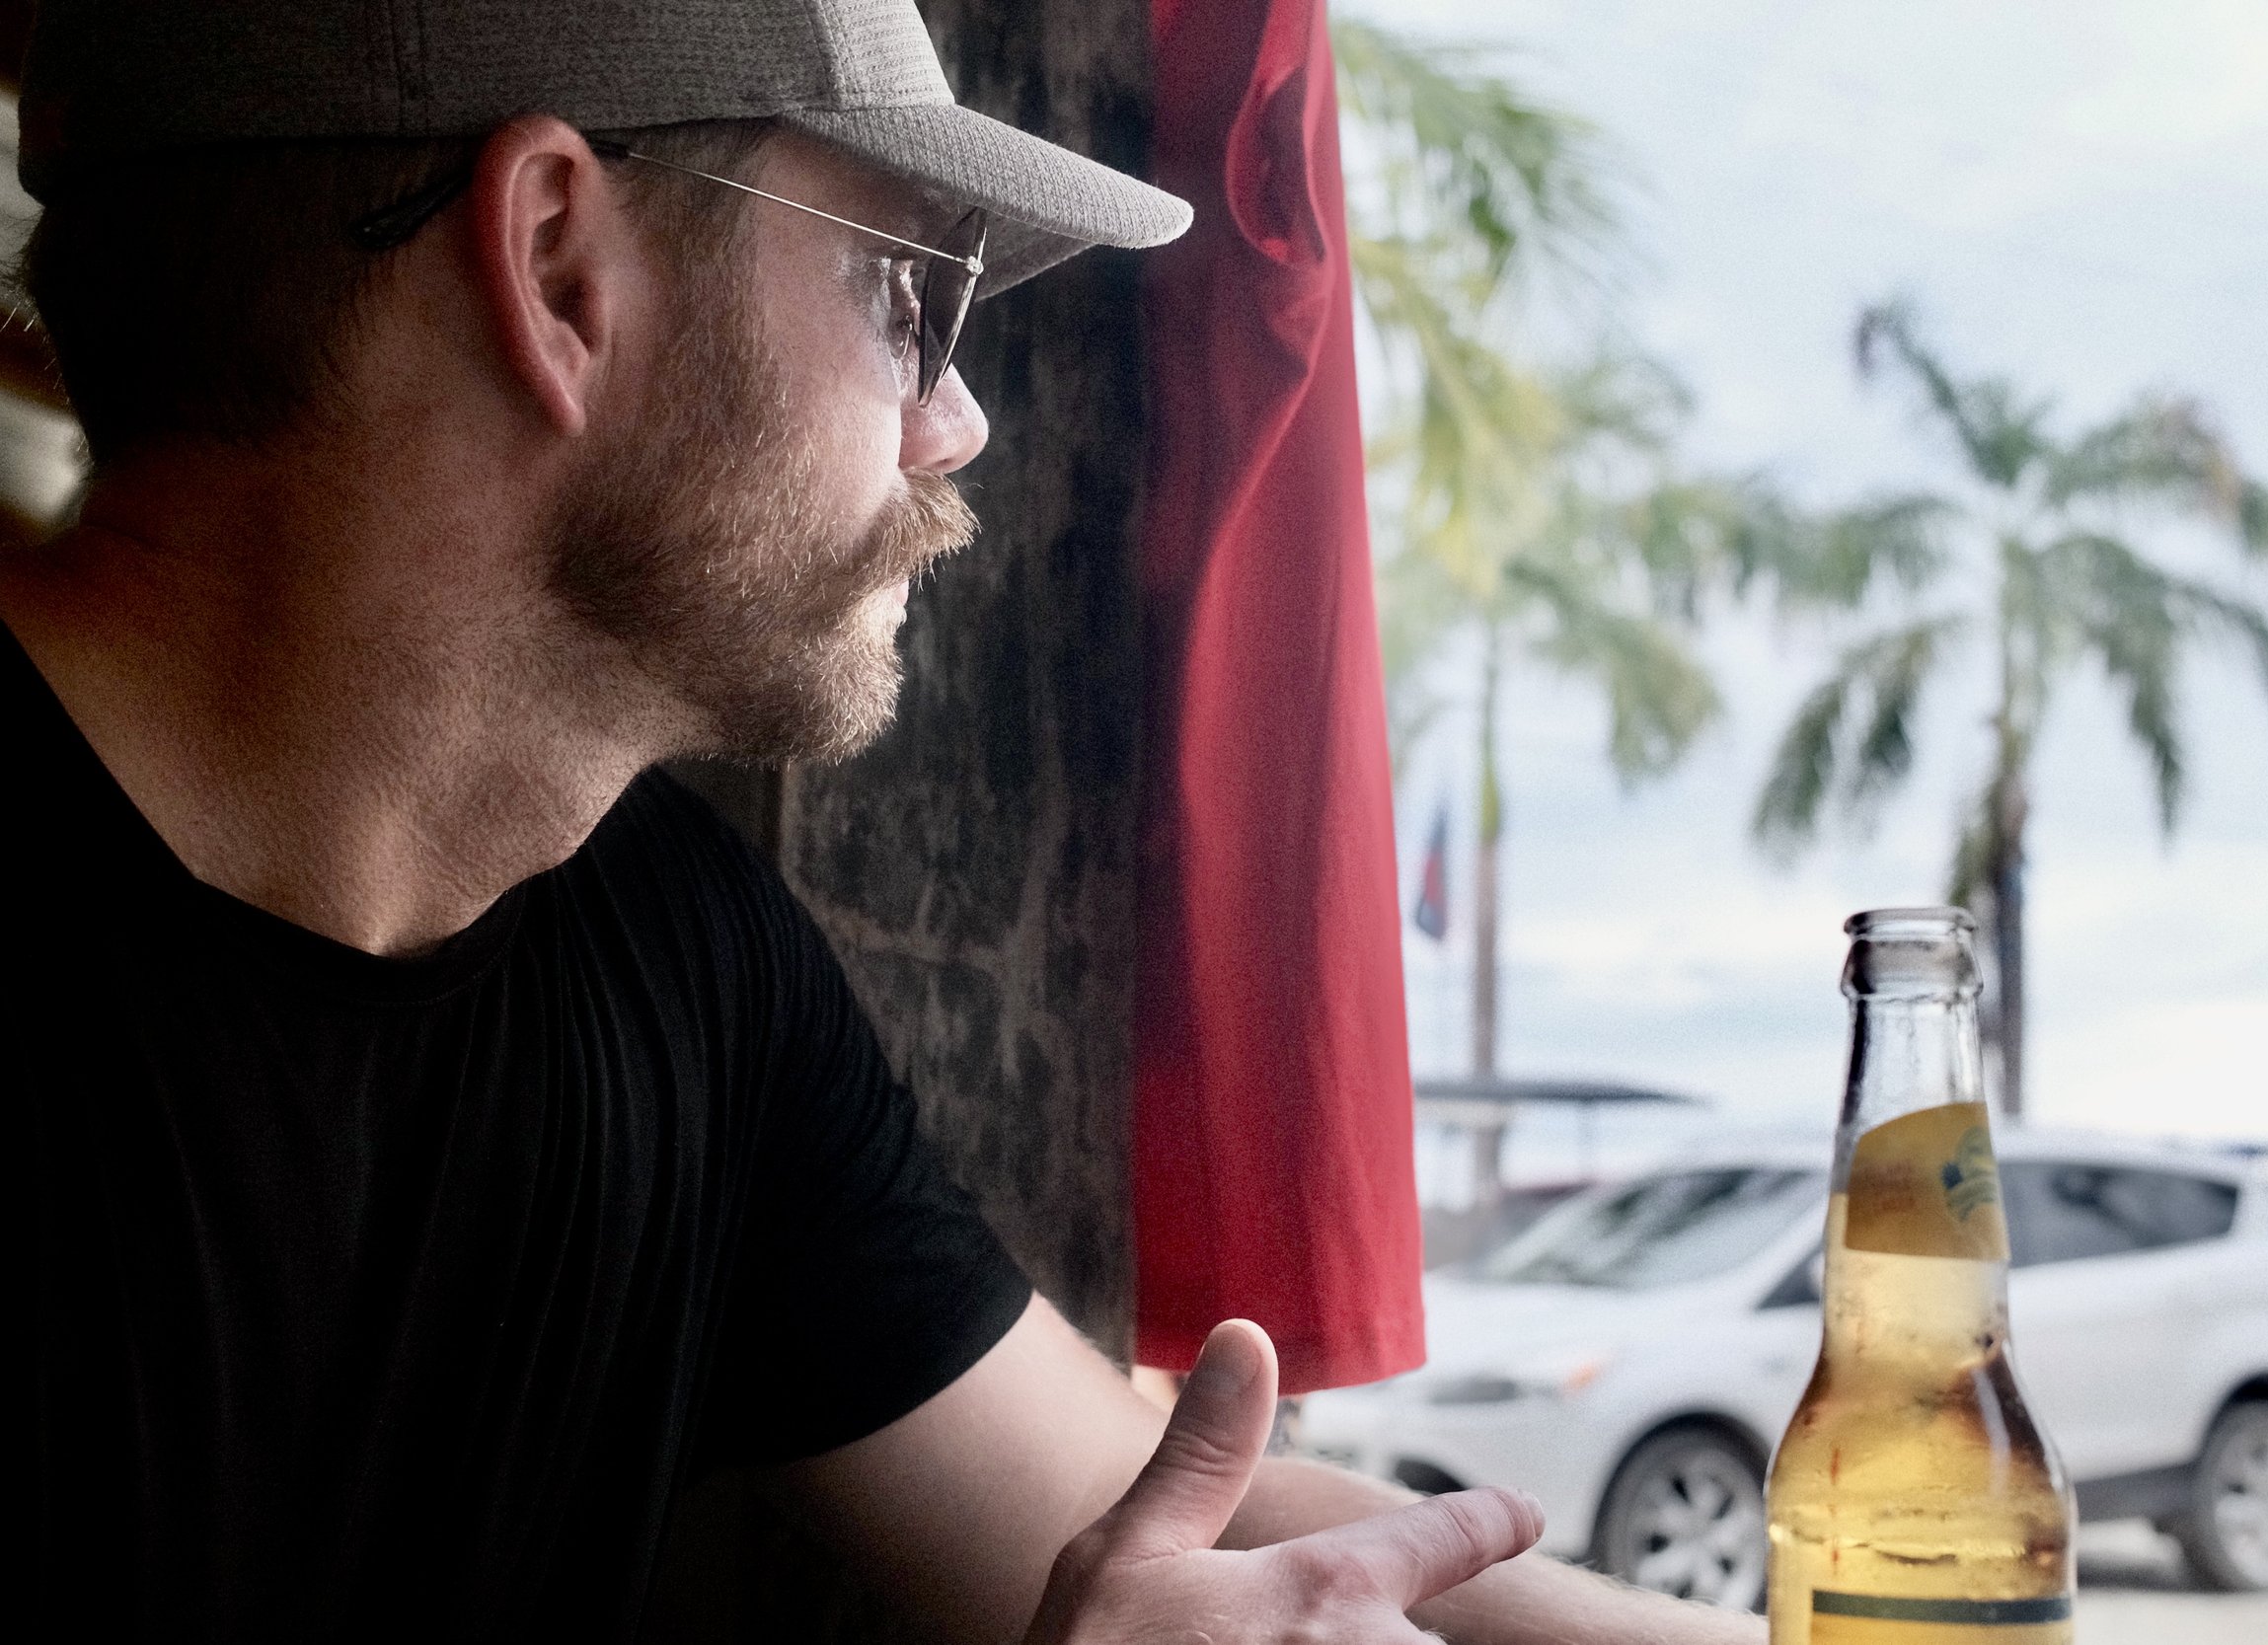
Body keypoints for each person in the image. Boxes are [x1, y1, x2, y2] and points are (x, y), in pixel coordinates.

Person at [3, 2, 1762, 1641]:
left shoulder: (663, 942)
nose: (956, 423)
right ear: (557, 265)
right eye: (906, 293)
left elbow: (1174, 1529)